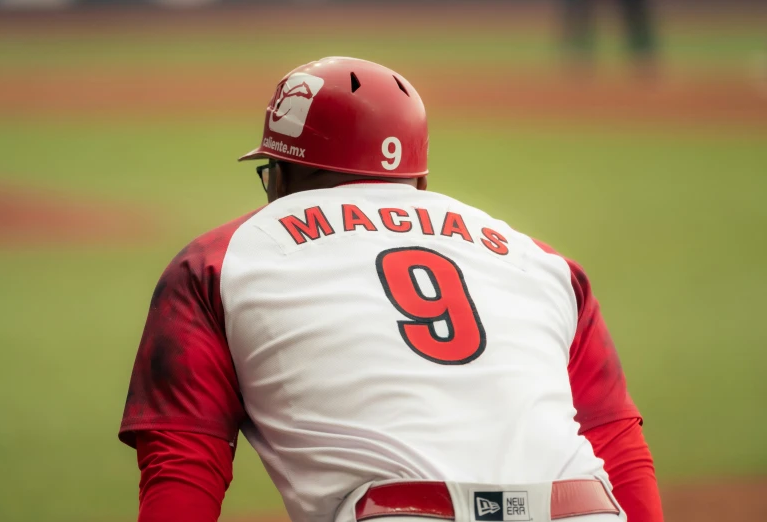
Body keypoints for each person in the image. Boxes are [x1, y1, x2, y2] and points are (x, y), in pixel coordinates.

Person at [119, 57, 663, 522]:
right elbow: (617, 444)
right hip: (584, 509)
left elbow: (183, 470)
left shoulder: (215, 263)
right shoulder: (541, 261)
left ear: (280, 177)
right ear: (418, 182)